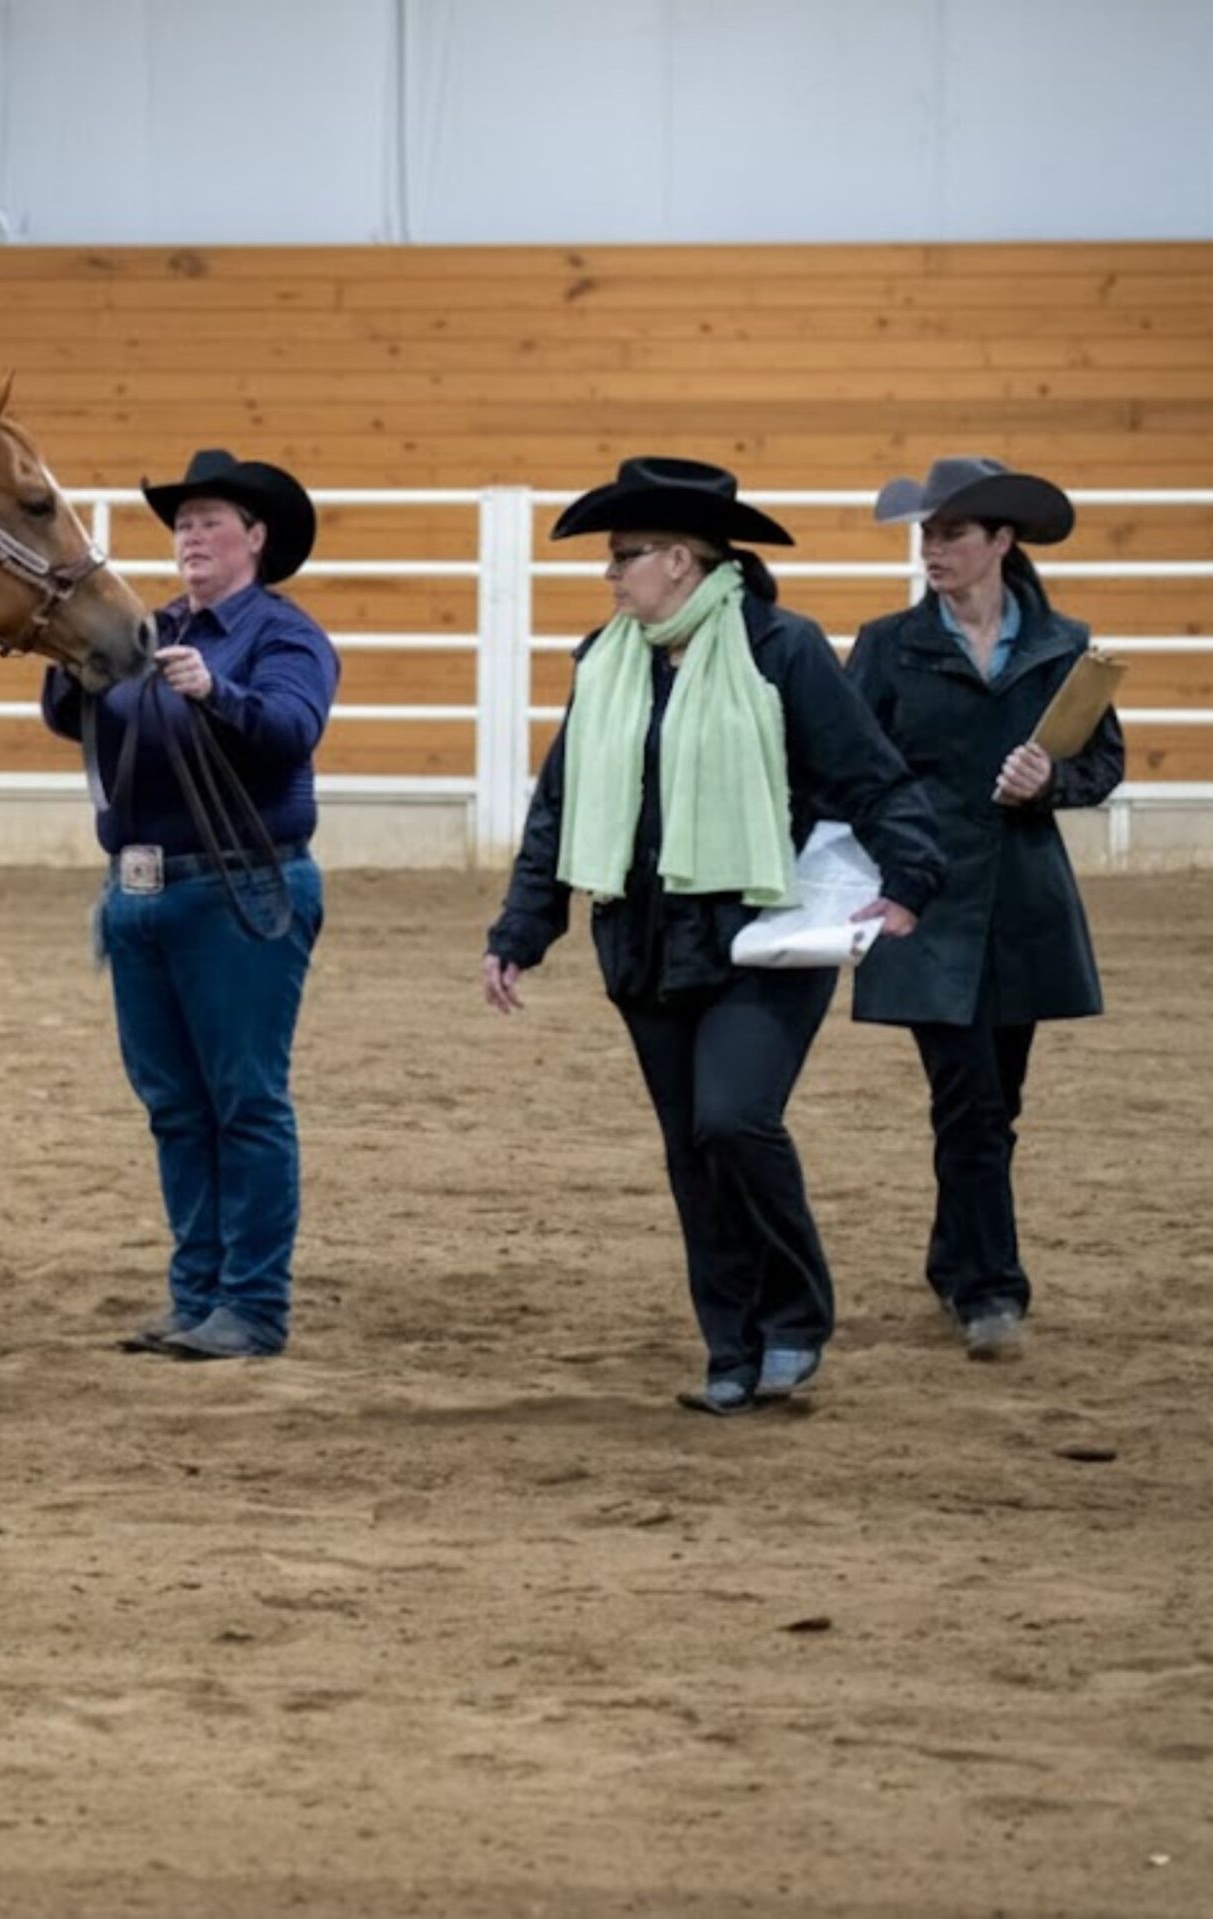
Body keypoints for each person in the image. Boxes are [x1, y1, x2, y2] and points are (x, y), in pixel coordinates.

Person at [481, 457, 945, 1414]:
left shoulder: (782, 649)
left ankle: (794, 1317)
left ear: (683, 562)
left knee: (733, 1119)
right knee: (691, 1150)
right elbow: (560, 803)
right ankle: (730, 1348)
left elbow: (873, 776)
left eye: (624, 557)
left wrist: (910, 884)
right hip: (644, 939)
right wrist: (524, 928)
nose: (610, 576)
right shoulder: (605, 662)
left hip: (758, 934)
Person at [41, 449, 337, 1360]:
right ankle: (197, 1292)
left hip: (240, 885)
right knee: (175, 1101)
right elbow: (67, 714)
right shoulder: (147, 628)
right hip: (143, 890)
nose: (190, 537)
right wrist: (68, 651)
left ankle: (251, 1302)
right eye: (183, 522)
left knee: (243, 1097)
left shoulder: (284, 637)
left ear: (256, 539)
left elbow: (293, 729)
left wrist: (222, 694)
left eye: (211, 520)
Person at [848, 458, 1124, 1362]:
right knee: (968, 1100)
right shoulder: (887, 646)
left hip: (1023, 904)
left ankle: (951, 1256)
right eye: (926, 536)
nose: (933, 551)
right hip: (925, 902)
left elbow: (1102, 764)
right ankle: (990, 1289)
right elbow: (847, 760)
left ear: (1001, 541)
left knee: (995, 1103)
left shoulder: (1065, 648)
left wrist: (1052, 780)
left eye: (951, 535)